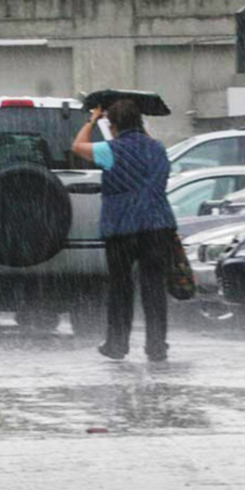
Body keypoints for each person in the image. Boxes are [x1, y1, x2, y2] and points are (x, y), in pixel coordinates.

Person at [72, 99, 178, 361]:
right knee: (154, 288)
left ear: (113, 125)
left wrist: (92, 120)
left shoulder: (110, 150)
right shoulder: (158, 149)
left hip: (122, 228)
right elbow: (147, 143)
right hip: (158, 225)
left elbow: (77, 147)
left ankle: (117, 345)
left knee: (121, 287)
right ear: (140, 123)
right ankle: (156, 346)